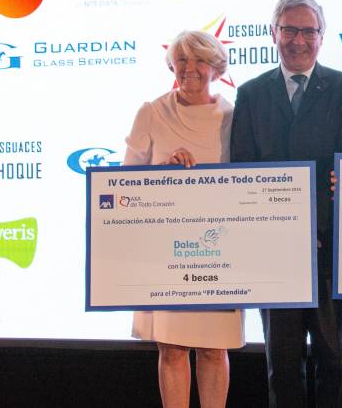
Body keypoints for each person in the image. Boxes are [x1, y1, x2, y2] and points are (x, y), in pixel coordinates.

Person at [230, 0, 342, 407]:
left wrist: (321, 225)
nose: (298, 40)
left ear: (322, 36)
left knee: (335, 361)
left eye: (308, 30)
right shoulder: (251, 94)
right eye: (289, 29)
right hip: (275, 255)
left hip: (331, 252)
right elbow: (242, 170)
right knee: (282, 366)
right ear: (274, 33)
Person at [124, 30, 244, 408]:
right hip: (167, 253)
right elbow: (124, 185)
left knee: (214, 349)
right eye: (182, 60)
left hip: (220, 254)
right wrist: (162, 170)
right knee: (172, 349)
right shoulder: (151, 112)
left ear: (216, 67)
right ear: (171, 65)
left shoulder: (234, 117)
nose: (189, 69)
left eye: (200, 60)